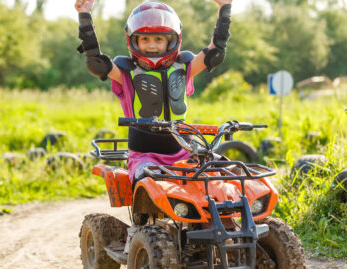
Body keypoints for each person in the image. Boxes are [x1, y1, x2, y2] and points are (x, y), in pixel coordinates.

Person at [75, 0, 233, 183]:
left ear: (172, 40)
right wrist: (84, 16)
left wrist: (225, 8)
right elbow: (96, 63)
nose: (152, 45)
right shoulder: (126, 73)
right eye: (145, 39)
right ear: (133, 41)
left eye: (159, 39)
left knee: (231, 170)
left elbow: (215, 53)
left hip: (185, 149)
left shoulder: (184, 66)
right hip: (145, 156)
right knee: (150, 179)